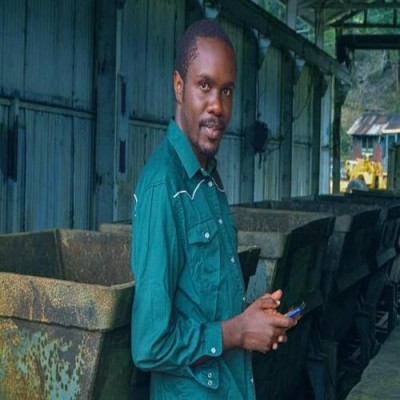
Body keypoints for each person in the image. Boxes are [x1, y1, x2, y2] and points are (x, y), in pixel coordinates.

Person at [131, 19, 297, 399]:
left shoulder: (207, 178)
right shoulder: (164, 187)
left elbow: (204, 303)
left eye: (227, 91)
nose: (217, 106)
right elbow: (149, 344)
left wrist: (253, 318)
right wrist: (238, 332)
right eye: (204, 86)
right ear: (179, 86)